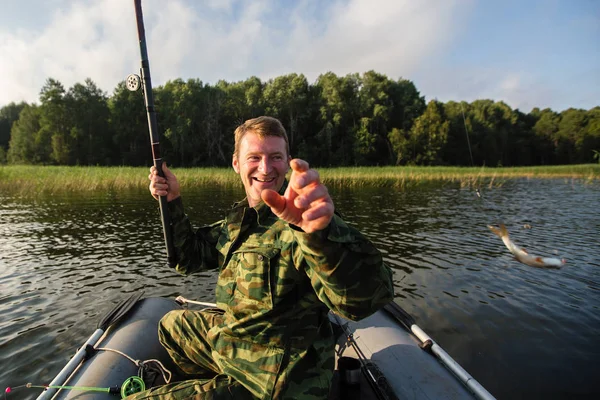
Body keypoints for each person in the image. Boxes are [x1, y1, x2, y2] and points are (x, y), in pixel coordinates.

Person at [131, 116, 394, 400]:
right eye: (254, 157)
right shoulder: (240, 219)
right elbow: (188, 257)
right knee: (171, 326)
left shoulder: (303, 224)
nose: (265, 168)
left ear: (288, 161)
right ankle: (218, 382)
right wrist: (171, 201)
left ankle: (224, 389)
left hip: (275, 380)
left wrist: (322, 235)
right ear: (236, 164)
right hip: (237, 343)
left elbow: (362, 302)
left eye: (275, 157)